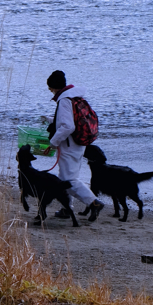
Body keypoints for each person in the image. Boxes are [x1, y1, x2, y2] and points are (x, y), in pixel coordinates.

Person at [46, 70, 105, 222]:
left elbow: (67, 127)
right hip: (78, 143)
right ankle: (67, 208)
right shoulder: (74, 97)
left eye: (50, 88)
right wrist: (51, 119)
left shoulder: (64, 100)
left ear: (54, 86)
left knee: (69, 180)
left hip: (69, 145)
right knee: (66, 176)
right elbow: (69, 121)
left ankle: (94, 203)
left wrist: (53, 143)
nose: (50, 91)